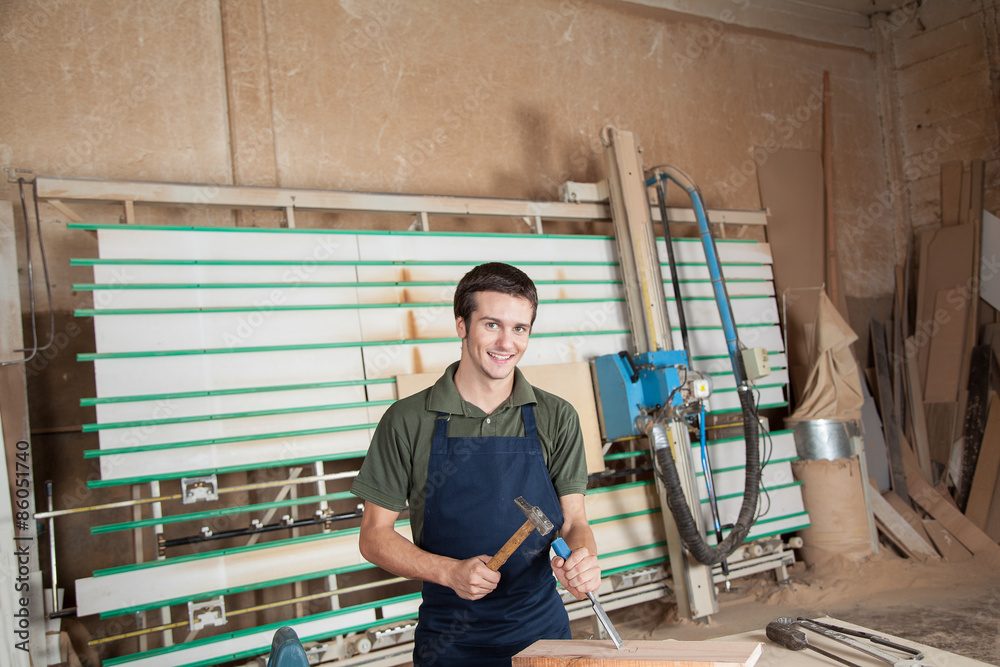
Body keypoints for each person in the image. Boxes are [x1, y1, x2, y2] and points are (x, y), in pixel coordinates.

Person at [351, 262, 601, 666]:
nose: (507, 342)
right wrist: (448, 572)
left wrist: (583, 561)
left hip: (542, 634)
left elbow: (574, 523)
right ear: (461, 325)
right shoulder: (407, 420)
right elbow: (374, 537)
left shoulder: (557, 416)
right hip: (449, 641)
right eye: (491, 325)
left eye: (520, 328)